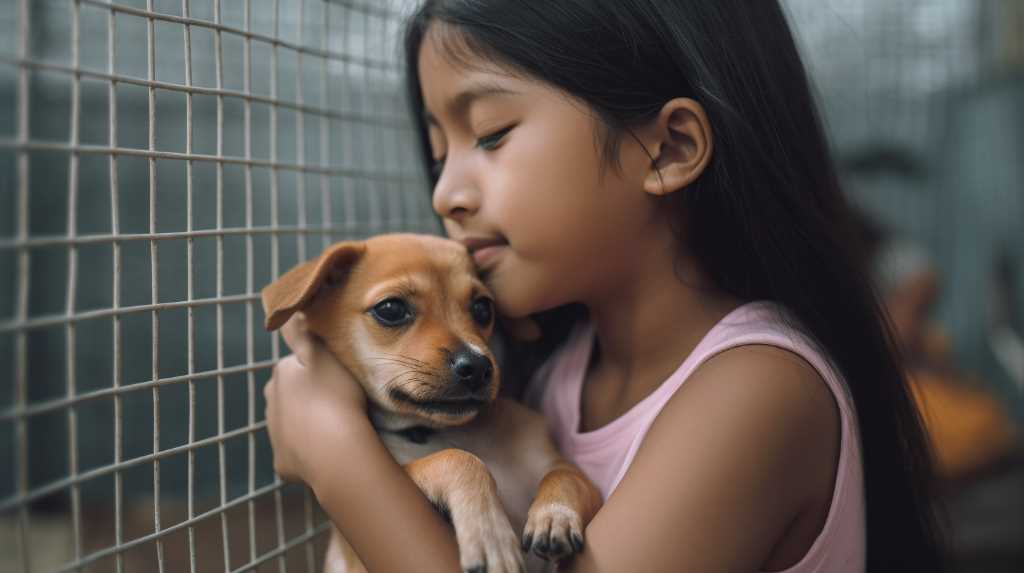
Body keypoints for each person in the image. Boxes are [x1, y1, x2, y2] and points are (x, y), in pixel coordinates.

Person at [262, 1, 948, 571]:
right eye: (439, 153)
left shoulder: (759, 391)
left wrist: (338, 456)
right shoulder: (559, 375)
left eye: (491, 135)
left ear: (669, 148)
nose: (445, 193)